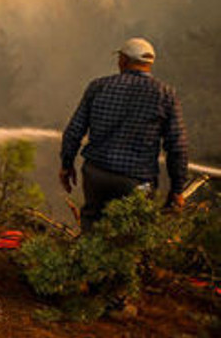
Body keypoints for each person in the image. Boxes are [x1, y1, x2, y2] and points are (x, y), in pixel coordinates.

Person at [60, 37, 188, 231]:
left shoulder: (98, 86)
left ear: (123, 60)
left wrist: (66, 165)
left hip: (96, 175)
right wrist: (177, 189)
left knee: (93, 229)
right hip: (136, 181)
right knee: (133, 235)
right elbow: (177, 147)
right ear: (148, 64)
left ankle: (88, 260)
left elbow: (74, 130)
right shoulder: (165, 94)